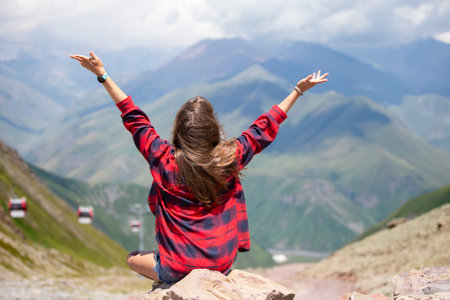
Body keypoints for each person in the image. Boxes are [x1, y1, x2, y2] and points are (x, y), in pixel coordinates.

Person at [70, 51, 328, 284]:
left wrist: (103, 75)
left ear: (179, 131)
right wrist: (298, 90)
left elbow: (134, 118)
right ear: (213, 129)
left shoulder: (162, 158)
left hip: (176, 268)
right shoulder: (230, 158)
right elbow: (264, 128)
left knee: (132, 258)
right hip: (221, 265)